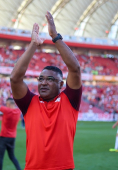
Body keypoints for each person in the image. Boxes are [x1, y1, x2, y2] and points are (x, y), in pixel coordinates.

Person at [10, 11, 82, 170]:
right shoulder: (29, 103)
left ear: (61, 84)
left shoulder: (69, 101)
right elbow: (15, 78)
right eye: (41, 79)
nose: (43, 83)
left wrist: (55, 36)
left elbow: (75, 69)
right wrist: (33, 45)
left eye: (50, 80)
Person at [0, 89, 22, 170]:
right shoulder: (18, 111)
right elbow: (12, 103)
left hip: (3, 137)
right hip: (12, 137)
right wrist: (10, 96)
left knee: (0, 158)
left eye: (6, 104)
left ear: (8, 104)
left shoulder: (6, 110)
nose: (6, 105)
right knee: (12, 156)